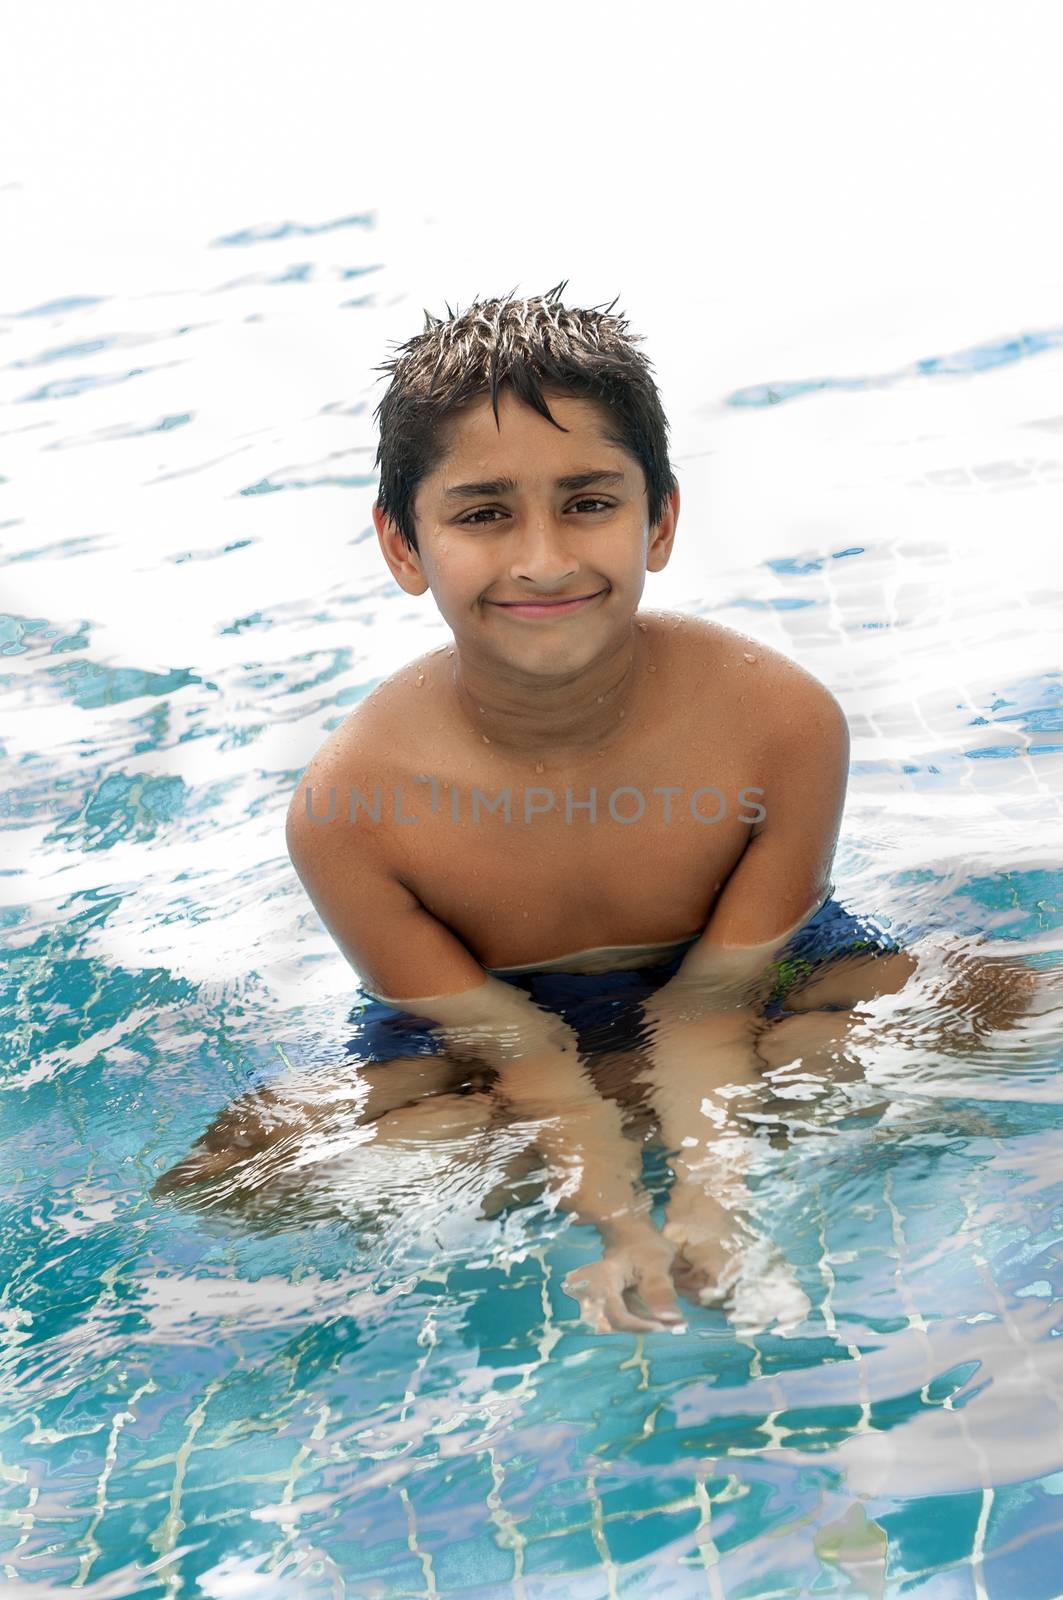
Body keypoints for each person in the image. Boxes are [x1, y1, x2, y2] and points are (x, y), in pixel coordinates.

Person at [154, 283, 1037, 1334]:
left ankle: (641, 1114)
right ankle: (679, 1107)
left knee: (1009, 996)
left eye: (588, 502)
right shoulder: (352, 811)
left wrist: (718, 1203)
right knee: (229, 1174)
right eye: (483, 513)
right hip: (490, 1031)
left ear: (658, 519)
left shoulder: (777, 722)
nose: (543, 558)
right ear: (402, 546)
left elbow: (711, 1001)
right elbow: (519, 1049)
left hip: (746, 980)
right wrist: (618, 1221)